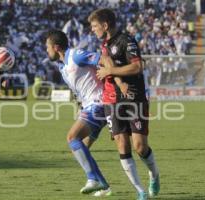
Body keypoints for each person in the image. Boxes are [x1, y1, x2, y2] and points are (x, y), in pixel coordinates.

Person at [88, 8, 160, 200]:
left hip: (134, 98)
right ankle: (140, 191)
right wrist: (113, 77)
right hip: (112, 100)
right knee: (122, 143)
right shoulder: (104, 46)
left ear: (105, 25)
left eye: (95, 26)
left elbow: (137, 66)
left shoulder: (126, 41)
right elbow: (109, 69)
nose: (92, 30)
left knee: (140, 147)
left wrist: (111, 72)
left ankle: (154, 174)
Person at [45, 30, 111, 197]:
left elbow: (102, 59)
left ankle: (93, 179)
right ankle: (103, 185)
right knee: (82, 148)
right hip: (89, 106)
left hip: (99, 104)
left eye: (48, 47)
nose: (46, 51)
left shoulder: (76, 55)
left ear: (57, 47)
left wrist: (110, 77)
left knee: (72, 138)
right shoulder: (62, 66)